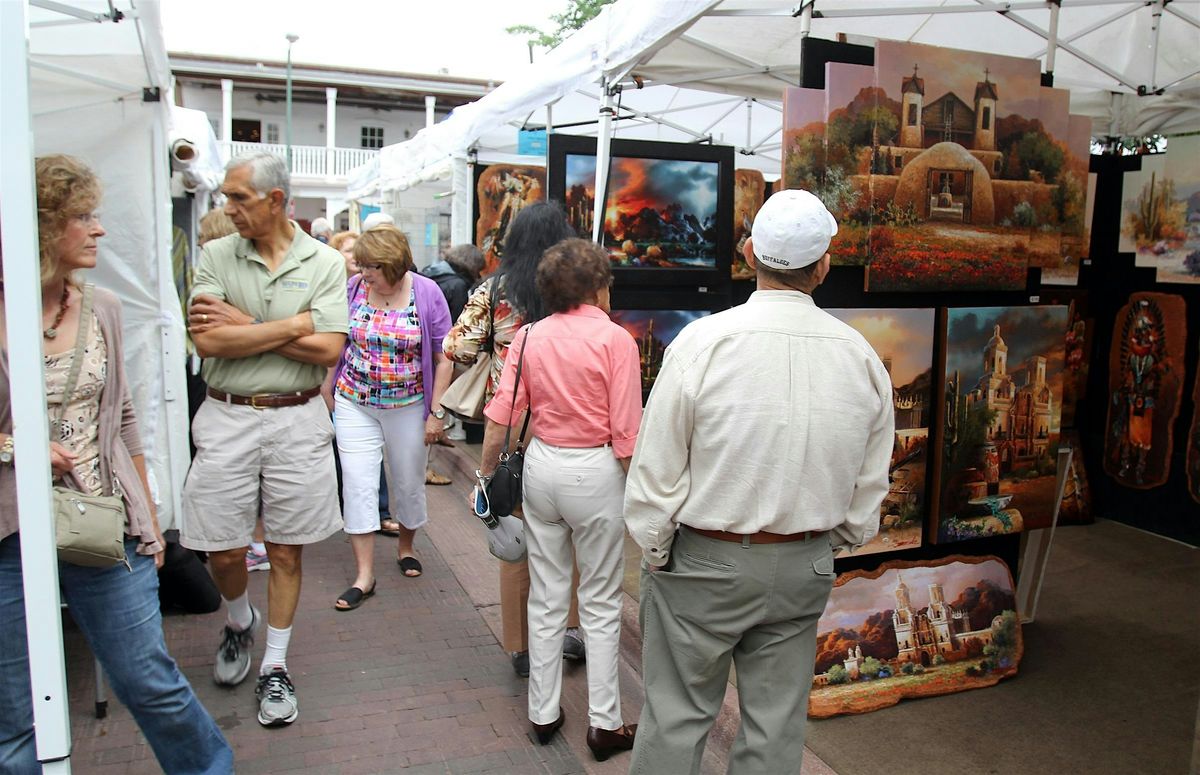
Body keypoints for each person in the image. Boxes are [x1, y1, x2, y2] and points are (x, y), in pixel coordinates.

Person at [624, 190, 895, 774]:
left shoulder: (703, 342)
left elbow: (657, 465)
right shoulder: (861, 356)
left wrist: (657, 548)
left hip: (704, 560)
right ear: (825, 265)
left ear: (749, 254)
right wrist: (832, 544)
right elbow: (870, 481)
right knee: (775, 729)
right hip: (804, 564)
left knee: (677, 717)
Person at [0, 154, 233, 771]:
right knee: (12, 715)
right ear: (41, 227)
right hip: (9, 530)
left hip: (103, 512)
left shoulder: (101, 306)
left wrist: (149, 512)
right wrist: (13, 448)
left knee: (149, 679)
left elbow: (123, 414)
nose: (99, 229)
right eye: (83, 216)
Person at [180, 150, 348, 728]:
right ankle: (237, 618)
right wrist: (295, 325)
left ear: (276, 201)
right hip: (226, 415)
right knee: (221, 549)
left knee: (286, 547)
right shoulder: (215, 254)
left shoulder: (324, 261)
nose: (228, 208)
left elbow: (328, 351)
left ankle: (276, 664)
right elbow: (208, 344)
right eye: (226, 197)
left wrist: (245, 325)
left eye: (238, 198)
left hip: (297, 416)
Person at [481, 238, 641, 761]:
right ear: (597, 285)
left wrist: (486, 479)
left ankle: (543, 714)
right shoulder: (617, 341)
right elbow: (626, 436)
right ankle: (605, 724)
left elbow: (502, 416)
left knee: (547, 596)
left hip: (543, 467)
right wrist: (642, 500)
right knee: (598, 600)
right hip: (595, 471)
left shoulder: (527, 337)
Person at [443, 202, 584, 678]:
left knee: (517, 534)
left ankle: (520, 647)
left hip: (512, 429)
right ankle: (571, 629)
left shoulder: (494, 290)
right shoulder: (581, 286)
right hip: (572, 422)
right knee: (570, 533)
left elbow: (457, 348)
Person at [328, 223, 452, 609]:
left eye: (373, 267)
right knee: (359, 484)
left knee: (409, 481)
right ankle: (364, 575)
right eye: (362, 265)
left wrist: (436, 413)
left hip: (408, 404)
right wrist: (327, 394)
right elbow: (338, 340)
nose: (365, 273)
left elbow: (444, 354)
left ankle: (406, 546)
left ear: (395, 265)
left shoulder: (427, 292)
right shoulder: (353, 290)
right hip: (355, 401)